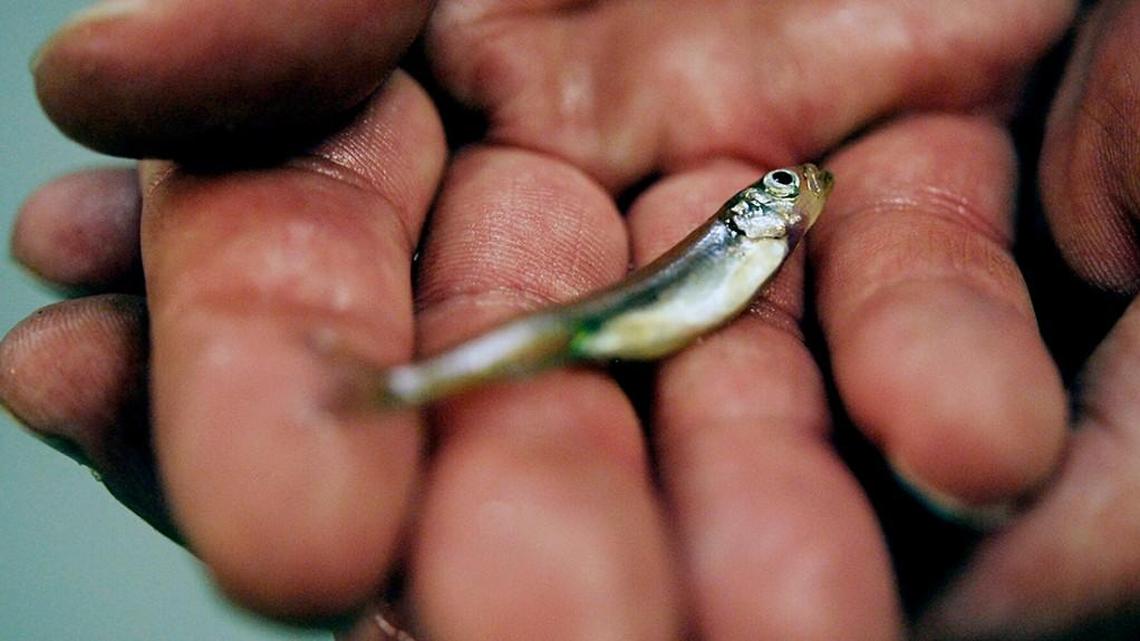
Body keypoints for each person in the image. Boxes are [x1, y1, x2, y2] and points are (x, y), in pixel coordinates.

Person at [2, 0, 1138, 638]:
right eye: (786, 189)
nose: (798, 195)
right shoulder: (758, 229)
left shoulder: (765, 230)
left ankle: (394, 393)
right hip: (604, 319)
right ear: (767, 210)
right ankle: (390, 394)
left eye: (790, 189)